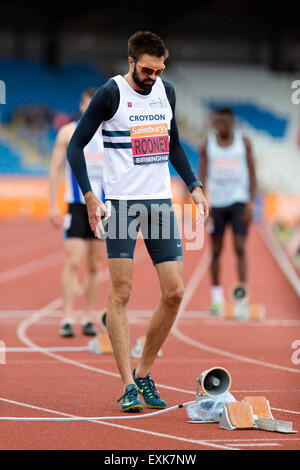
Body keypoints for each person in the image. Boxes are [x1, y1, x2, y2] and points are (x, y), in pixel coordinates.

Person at [67, 31, 209, 412]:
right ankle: (127, 383)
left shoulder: (167, 91)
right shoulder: (111, 93)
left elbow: (173, 143)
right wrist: (90, 194)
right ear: (131, 62)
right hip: (121, 205)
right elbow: (75, 145)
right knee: (122, 293)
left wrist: (193, 184)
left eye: (160, 68)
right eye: (147, 69)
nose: (154, 75)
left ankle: (145, 372)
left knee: (175, 291)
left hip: (159, 202)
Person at [49, 87, 106, 337]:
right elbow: (55, 169)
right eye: (88, 102)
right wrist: (52, 205)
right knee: (73, 261)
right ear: (82, 105)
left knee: (95, 264)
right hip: (75, 205)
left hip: (103, 208)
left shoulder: (110, 132)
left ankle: (87, 317)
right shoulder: (68, 132)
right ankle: (67, 317)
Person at [199, 106, 257, 314]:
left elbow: (252, 173)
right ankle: (217, 300)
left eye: (226, 122)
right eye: (218, 122)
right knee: (215, 251)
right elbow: (202, 175)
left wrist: (251, 203)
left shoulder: (244, 142)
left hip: (239, 201)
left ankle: (242, 298)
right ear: (215, 123)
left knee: (240, 248)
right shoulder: (208, 144)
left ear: (232, 122)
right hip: (216, 204)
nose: (222, 125)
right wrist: (204, 203)